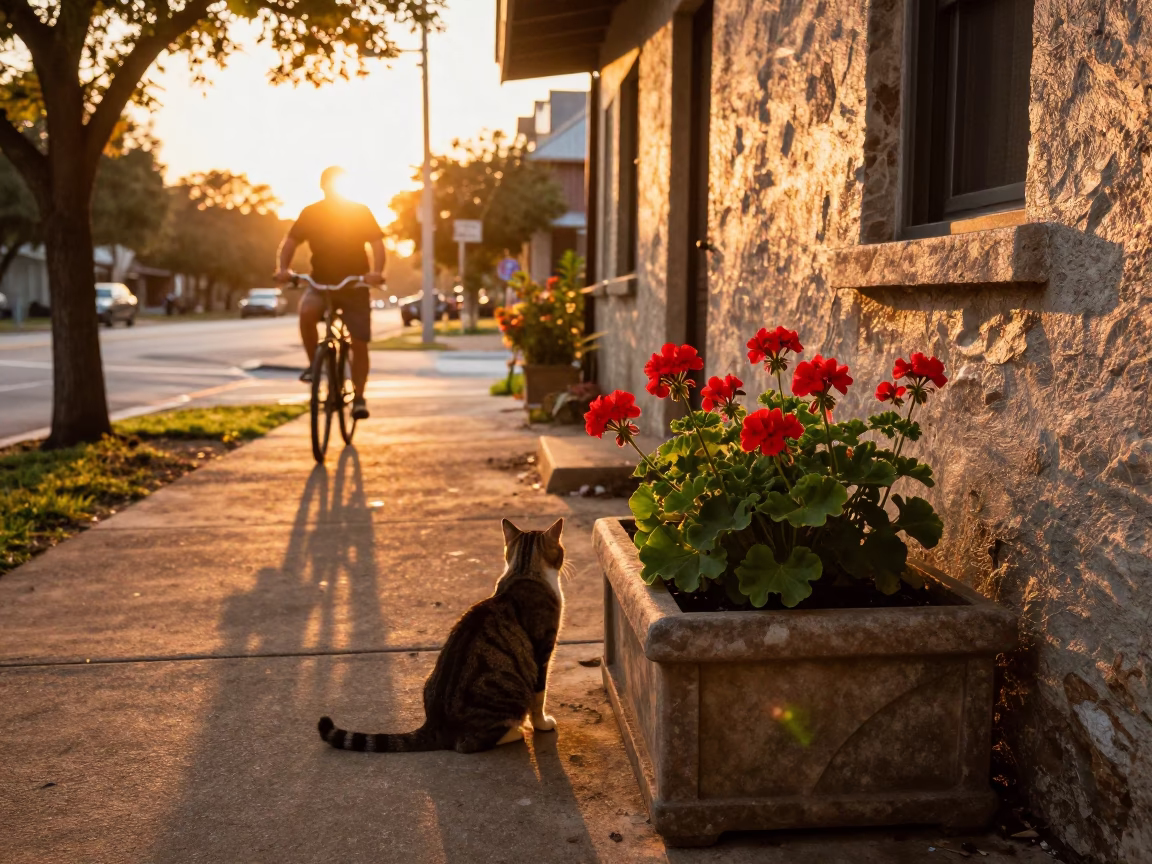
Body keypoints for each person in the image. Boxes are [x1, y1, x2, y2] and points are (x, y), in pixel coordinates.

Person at [274, 166, 384, 421]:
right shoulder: (311, 213)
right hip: (321, 283)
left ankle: (358, 397)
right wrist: (283, 269)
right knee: (306, 312)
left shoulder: (359, 212)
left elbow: (377, 243)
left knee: (359, 342)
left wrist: (376, 272)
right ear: (322, 187)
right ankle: (316, 364)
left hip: (354, 285)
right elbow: (290, 242)